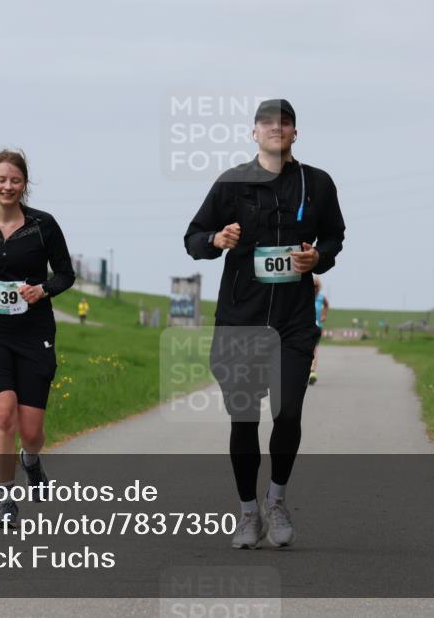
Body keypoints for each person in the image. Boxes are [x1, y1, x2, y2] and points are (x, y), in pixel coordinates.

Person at [184, 99, 345, 549]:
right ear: (254, 132)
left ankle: (276, 500)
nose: (277, 129)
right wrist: (216, 239)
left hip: (293, 321)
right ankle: (247, 513)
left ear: (295, 132)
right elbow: (193, 238)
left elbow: (334, 235)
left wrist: (319, 257)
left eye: (285, 122)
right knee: (243, 420)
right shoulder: (231, 183)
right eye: (268, 123)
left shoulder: (317, 184)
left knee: (288, 411)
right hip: (240, 321)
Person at [0, 149, 75, 525]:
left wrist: (44, 290)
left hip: (34, 331)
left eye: (15, 180)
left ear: (25, 185)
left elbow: (65, 274)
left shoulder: (43, 225)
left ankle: (31, 460)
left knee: (31, 430)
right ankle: (5, 499)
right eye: (1, 179)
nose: (7, 186)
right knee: (3, 415)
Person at [308, 275, 329, 385]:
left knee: (314, 349)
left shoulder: (321, 297)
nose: (314, 288)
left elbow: (326, 305)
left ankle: (312, 371)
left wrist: (324, 315)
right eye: (312, 285)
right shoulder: (305, 296)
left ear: (319, 286)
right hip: (305, 326)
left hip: (317, 327)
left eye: (316, 285)